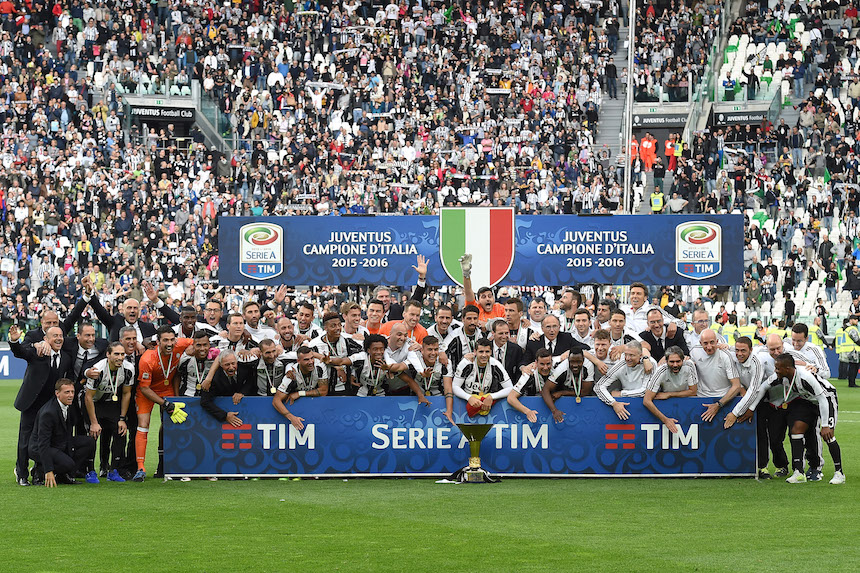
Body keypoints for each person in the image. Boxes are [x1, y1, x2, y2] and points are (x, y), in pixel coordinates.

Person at [727, 353, 844, 485]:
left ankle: (839, 473)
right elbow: (763, 387)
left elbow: (823, 398)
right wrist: (751, 408)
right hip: (808, 401)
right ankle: (799, 473)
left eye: (778, 368)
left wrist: (825, 425)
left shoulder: (805, 377)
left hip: (827, 399)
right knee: (796, 430)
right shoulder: (782, 377)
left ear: (787, 368)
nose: (775, 370)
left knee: (827, 435)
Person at [10, 325, 73, 486]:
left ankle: (39, 472)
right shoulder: (37, 352)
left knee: (48, 440)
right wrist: (15, 341)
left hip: (50, 407)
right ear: (46, 339)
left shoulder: (65, 358)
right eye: (54, 336)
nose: (59, 338)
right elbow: (20, 352)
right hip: (31, 403)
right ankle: (22, 474)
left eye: (61, 335)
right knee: (25, 440)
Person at [133, 326, 193, 482]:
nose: (169, 343)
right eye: (165, 340)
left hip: (167, 389)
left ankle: (170, 466)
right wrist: (165, 404)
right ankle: (141, 467)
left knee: (172, 424)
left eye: (172, 340)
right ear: (157, 342)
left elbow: (201, 342)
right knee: (143, 425)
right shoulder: (147, 359)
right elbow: (145, 388)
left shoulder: (180, 344)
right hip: (147, 392)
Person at [82, 342, 135, 483]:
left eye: (122, 354)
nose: (120, 357)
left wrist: (122, 418)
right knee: (92, 434)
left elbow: (126, 393)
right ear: (108, 355)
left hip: (110, 402)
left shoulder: (129, 368)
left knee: (120, 431)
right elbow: (88, 396)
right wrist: (94, 422)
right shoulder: (98, 370)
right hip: (92, 402)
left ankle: (114, 470)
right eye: (116, 354)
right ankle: (90, 471)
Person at [29, 379, 96, 487]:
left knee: (89, 442)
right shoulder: (48, 413)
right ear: (57, 393)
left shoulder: (69, 405)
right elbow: (43, 443)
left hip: (59, 442)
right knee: (68, 464)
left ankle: (64, 475)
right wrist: (48, 470)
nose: (71, 395)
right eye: (67, 392)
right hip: (40, 447)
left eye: (72, 392)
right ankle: (39, 471)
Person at [87, 280, 181, 341]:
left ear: (139, 311)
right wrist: (90, 293)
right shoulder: (114, 322)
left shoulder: (149, 328)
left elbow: (179, 322)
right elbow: (99, 310)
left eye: (135, 308)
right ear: (122, 311)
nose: (132, 311)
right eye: (129, 308)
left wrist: (155, 301)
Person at [689, 330, 742, 422]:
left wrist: (719, 404)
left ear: (717, 342)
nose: (709, 347)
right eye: (705, 343)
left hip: (724, 400)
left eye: (712, 342)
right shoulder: (694, 351)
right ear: (700, 343)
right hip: (702, 399)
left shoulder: (726, 355)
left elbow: (736, 386)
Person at [642, 346, 699, 433]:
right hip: (665, 406)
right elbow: (646, 400)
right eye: (672, 362)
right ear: (666, 361)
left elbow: (693, 392)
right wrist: (665, 420)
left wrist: (670, 394)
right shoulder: (661, 371)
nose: (675, 365)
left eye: (678, 361)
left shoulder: (689, 365)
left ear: (683, 360)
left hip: (685, 404)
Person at [595, 341, 656, 420]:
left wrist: (621, 394)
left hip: (646, 409)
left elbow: (646, 392)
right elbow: (598, 386)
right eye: (626, 354)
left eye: (631, 355)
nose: (627, 358)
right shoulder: (621, 365)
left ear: (640, 355)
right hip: (624, 406)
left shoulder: (650, 364)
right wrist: (613, 403)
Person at [452, 338, 513, 416]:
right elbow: (455, 387)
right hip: (465, 402)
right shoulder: (465, 363)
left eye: (487, 352)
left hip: (487, 404)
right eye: (481, 352)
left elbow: (510, 388)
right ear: (475, 352)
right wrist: (468, 397)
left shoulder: (496, 365)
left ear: (491, 352)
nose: (484, 355)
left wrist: (491, 397)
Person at [309, 312, 362, 395]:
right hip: (324, 389)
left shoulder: (347, 341)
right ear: (325, 328)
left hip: (345, 388)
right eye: (333, 326)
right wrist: (332, 364)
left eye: (339, 325)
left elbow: (361, 355)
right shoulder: (315, 344)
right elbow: (306, 355)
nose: (338, 328)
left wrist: (353, 374)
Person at [407, 335, 455, 423]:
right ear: (422, 350)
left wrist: (449, 411)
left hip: (437, 398)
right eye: (429, 349)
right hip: (414, 398)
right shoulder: (414, 359)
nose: (433, 353)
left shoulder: (445, 362)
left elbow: (448, 389)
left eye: (436, 349)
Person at [542, 348, 595, 422]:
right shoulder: (561, 368)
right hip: (562, 389)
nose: (575, 365)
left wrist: (563, 393)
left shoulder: (588, 366)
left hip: (577, 397)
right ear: (568, 360)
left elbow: (585, 392)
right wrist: (554, 411)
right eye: (572, 362)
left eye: (578, 362)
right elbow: (545, 390)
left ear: (583, 360)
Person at [201, 350, 251, 427]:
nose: (231, 367)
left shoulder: (245, 368)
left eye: (233, 363)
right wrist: (225, 416)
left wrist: (242, 393)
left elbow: (251, 381)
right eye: (227, 365)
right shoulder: (214, 378)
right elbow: (205, 401)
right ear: (220, 365)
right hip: (222, 417)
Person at [508, 349, 555, 422]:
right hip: (532, 411)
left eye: (548, 364)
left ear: (552, 362)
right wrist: (527, 412)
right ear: (536, 363)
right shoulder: (528, 374)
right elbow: (511, 398)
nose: (545, 368)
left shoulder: (556, 371)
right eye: (542, 364)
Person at [459, 254, 506, 324]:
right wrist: (466, 274)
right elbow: (468, 291)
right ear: (478, 301)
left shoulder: (500, 308)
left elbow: (509, 322)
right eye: (483, 297)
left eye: (490, 296)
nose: (487, 299)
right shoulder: (475, 307)